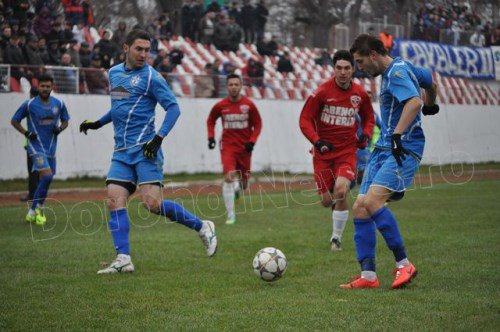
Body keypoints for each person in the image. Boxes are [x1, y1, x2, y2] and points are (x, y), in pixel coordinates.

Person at [79, 29, 217, 274]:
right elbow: (119, 107)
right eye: (138, 49)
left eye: (147, 50)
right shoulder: (114, 73)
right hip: (121, 151)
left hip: (146, 150)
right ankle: (123, 258)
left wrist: (158, 138)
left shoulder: (152, 77)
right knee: (114, 199)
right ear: (126, 48)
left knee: (152, 204)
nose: (144, 54)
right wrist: (97, 123)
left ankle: (202, 226)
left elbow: (173, 108)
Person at [340, 34, 439, 289]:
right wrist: (432, 103)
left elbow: (414, 102)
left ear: (373, 54)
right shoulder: (401, 68)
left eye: (361, 62)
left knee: (372, 202)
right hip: (383, 148)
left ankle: (404, 264)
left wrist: (398, 134)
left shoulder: (396, 73)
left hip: (402, 147)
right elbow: (428, 81)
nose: (360, 68)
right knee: (360, 207)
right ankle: (369, 276)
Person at [299, 50, 375, 251]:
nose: (343, 72)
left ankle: (336, 239)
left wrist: (366, 134)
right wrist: (317, 141)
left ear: (353, 69)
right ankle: (334, 205)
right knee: (326, 201)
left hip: (347, 151)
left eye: (347, 68)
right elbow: (304, 120)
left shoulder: (360, 94)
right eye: (339, 68)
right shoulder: (321, 92)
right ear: (334, 69)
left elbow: (369, 117)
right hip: (323, 153)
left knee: (341, 190)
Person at [11, 74, 70, 225]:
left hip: (51, 147)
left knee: (47, 179)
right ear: (38, 87)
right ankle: (38, 209)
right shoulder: (29, 104)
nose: (44, 89)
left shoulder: (59, 104)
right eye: (42, 86)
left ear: (52, 87)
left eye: (47, 86)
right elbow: (14, 120)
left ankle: (33, 210)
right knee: (47, 176)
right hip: (35, 147)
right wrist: (26, 133)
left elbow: (66, 121)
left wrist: (60, 129)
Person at [206, 74, 262, 224]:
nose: (234, 87)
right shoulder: (220, 105)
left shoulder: (249, 105)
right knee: (229, 177)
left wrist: (252, 141)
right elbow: (211, 120)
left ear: (241, 86)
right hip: (228, 146)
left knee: (244, 183)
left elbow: (258, 124)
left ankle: (238, 189)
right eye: (231, 85)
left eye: (236, 84)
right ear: (227, 87)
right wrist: (210, 137)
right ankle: (231, 214)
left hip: (245, 148)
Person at [20, 87, 40, 202]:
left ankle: (32, 195)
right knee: (37, 171)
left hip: (31, 144)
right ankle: (37, 194)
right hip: (39, 144)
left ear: (30, 94)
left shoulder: (30, 106)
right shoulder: (41, 108)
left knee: (32, 171)